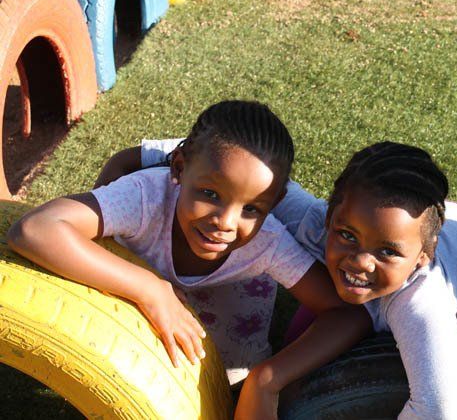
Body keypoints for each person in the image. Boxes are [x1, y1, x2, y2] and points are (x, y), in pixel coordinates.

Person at [127, 139, 457, 419]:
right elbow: (241, 163)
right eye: (346, 234)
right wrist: (143, 159)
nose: (360, 261)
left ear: (419, 258)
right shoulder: (310, 220)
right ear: (331, 214)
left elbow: (442, 407)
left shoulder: (422, 300)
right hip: (413, 256)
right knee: (302, 342)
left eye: (386, 252)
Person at [8, 100, 370, 419]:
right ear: (178, 169)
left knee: (228, 384)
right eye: (211, 193)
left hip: (228, 318)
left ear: (272, 207)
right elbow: (37, 228)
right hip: (148, 295)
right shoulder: (147, 197)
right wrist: (150, 288)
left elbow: (346, 314)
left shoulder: (267, 241)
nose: (225, 223)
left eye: (251, 209)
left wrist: (266, 380)